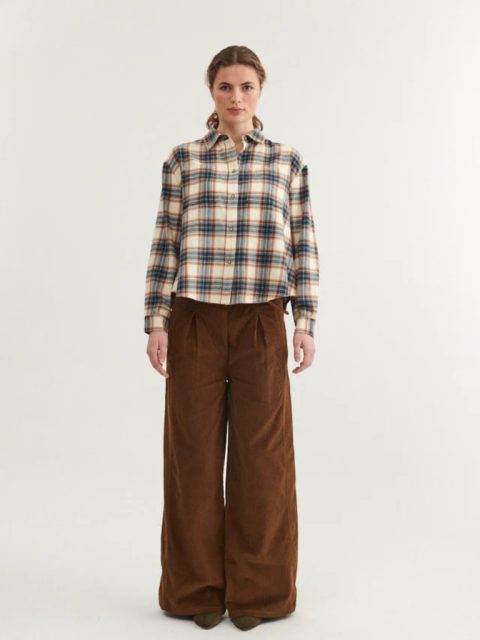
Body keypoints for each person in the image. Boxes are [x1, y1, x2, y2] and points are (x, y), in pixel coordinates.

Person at [144, 45, 320, 632]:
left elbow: (303, 244)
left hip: (261, 322)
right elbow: (165, 242)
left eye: (246, 86)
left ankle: (260, 594)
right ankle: (195, 590)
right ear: (212, 92)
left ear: (260, 90)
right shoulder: (183, 160)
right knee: (191, 457)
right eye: (225, 86)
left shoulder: (287, 162)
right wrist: (157, 320)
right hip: (193, 318)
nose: (236, 97)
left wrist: (304, 322)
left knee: (262, 461)